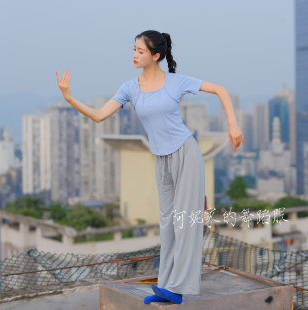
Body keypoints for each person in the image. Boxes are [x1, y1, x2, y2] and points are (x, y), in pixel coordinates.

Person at [55, 30, 244, 305]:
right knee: (167, 223)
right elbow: (98, 116)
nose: (134, 54)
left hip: (186, 154)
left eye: (140, 51)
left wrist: (233, 123)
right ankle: (167, 285)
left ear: (155, 56)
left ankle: (178, 288)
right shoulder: (129, 87)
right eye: (133, 49)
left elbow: (220, 90)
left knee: (184, 223)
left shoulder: (175, 82)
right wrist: (69, 97)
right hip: (161, 159)